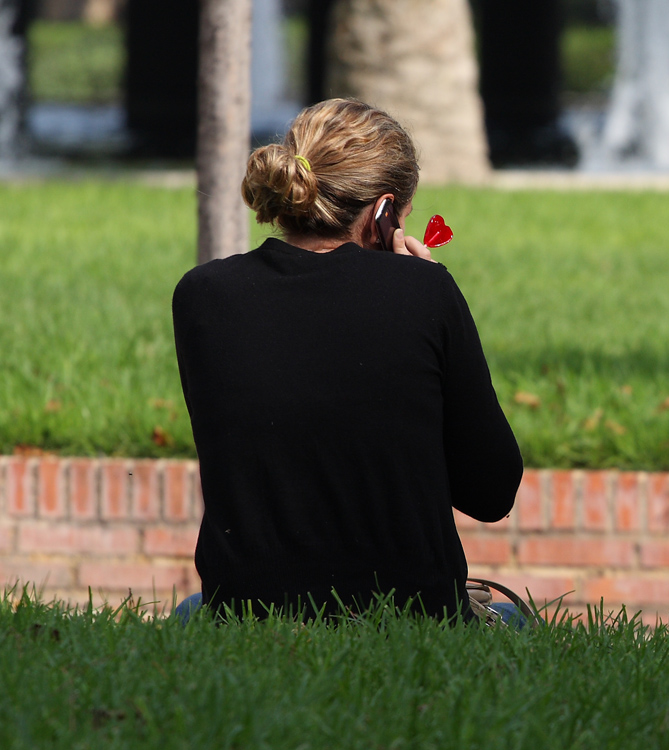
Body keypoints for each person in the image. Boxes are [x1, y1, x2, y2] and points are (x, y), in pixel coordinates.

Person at [172, 98, 522, 622]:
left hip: (245, 613)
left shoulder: (202, 294)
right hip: (412, 614)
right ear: (383, 212)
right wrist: (417, 289)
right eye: (404, 217)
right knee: (513, 620)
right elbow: (492, 492)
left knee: (188, 612)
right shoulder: (424, 292)